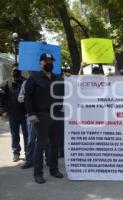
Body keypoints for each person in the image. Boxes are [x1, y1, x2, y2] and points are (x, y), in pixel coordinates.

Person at [25, 53, 64, 184]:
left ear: (53, 63)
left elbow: (68, 91)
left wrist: (72, 77)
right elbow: (28, 98)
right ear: (40, 63)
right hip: (41, 115)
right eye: (46, 61)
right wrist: (31, 114)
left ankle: (54, 169)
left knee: (54, 145)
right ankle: (38, 173)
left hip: (57, 115)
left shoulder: (58, 77)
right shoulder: (34, 78)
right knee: (40, 145)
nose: (48, 63)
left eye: (51, 61)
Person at [0, 63, 28, 162]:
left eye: (17, 70)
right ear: (11, 71)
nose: (15, 72)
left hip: (25, 114)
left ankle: (28, 153)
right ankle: (16, 153)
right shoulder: (6, 83)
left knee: (27, 135)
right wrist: (2, 111)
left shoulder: (26, 82)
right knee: (15, 135)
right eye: (13, 70)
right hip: (12, 114)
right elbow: (1, 98)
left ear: (20, 71)